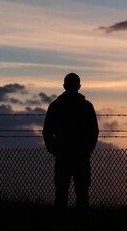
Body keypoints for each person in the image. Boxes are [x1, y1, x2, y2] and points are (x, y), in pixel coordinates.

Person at [43, 73, 99, 228]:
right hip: (79, 155)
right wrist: (88, 149)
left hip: (64, 155)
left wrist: (53, 148)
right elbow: (94, 131)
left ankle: (60, 223)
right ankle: (82, 223)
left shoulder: (56, 105)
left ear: (64, 86)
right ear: (79, 86)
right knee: (81, 193)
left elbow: (47, 130)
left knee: (62, 192)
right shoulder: (86, 106)